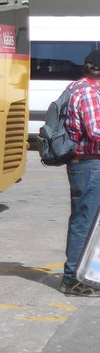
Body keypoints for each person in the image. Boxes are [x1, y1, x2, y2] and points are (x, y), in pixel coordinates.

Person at [59, 49, 100, 296]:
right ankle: (72, 278)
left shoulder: (78, 87)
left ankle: (84, 272)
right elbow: (96, 131)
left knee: (86, 221)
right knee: (84, 222)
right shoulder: (88, 92)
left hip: (86, 164)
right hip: (88, 165)